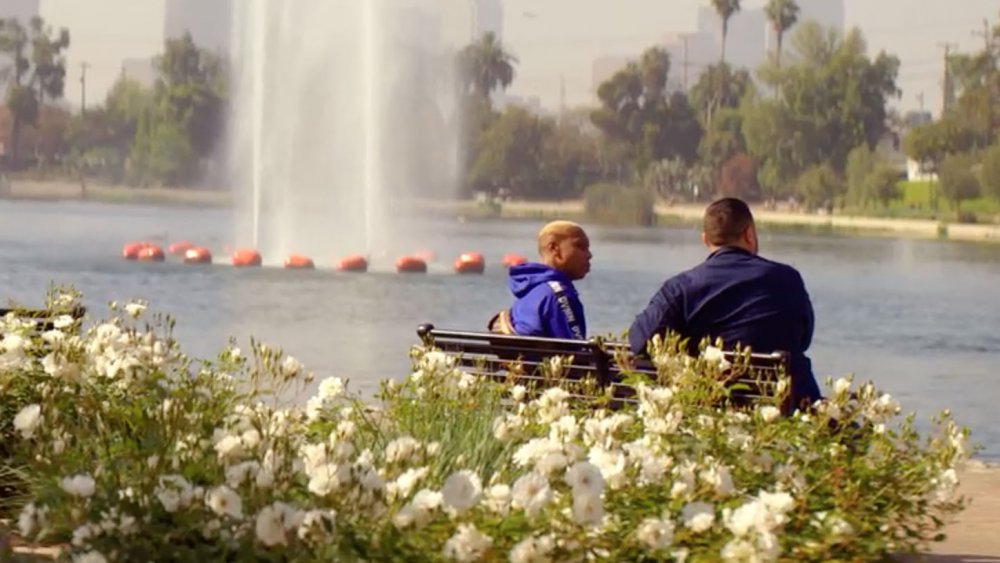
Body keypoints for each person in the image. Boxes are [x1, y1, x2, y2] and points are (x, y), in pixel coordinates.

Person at [628, 197, 821, 407]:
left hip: (715, 408)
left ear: (705, 240)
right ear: (749, 234)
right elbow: (804, 338)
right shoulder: (788, 279)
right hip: (790, 407)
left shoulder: (681, 288)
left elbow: (641, 340)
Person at [489, 220, 591, 339]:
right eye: (580, 246)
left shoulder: (532, 289)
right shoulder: (559, 295)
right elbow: (575, 352)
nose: (589, 255)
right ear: (554, 248)